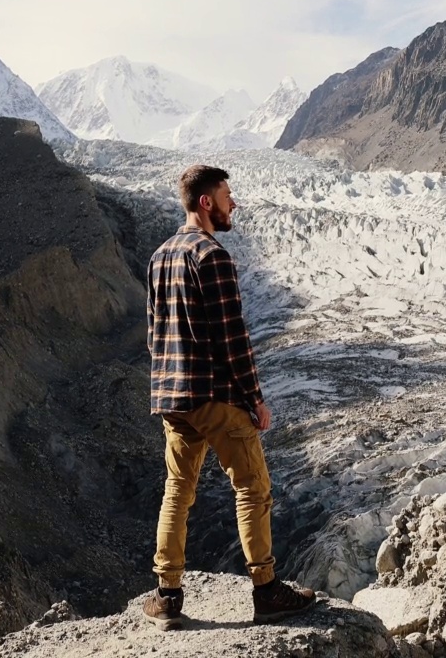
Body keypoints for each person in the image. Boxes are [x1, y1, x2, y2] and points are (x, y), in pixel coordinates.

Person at [142, 164, 317, 630]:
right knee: (253, 487)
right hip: (215, 395)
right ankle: (266, 591)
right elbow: (231, 338)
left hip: (174, 398)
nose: (232, 203)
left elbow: (155, 333)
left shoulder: (160, 256)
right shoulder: (212, 256)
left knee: (178, 490)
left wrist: (164, 388)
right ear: (206, 203)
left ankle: (167, 596)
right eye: (226, 195)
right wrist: (254, 399)